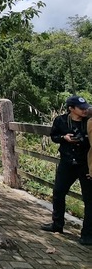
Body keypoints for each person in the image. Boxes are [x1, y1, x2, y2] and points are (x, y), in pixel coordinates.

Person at [41, 95, 92, 245]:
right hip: (67, 163)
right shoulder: (60, 120)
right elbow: (54, 136)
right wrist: (64, 137)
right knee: (58, 193)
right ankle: (57, 225)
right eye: (81, 108)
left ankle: (87, 234)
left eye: (86, 107)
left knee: (89, 200)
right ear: (71, 108)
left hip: (85, 165)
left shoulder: (89, 121)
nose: (85, 110)